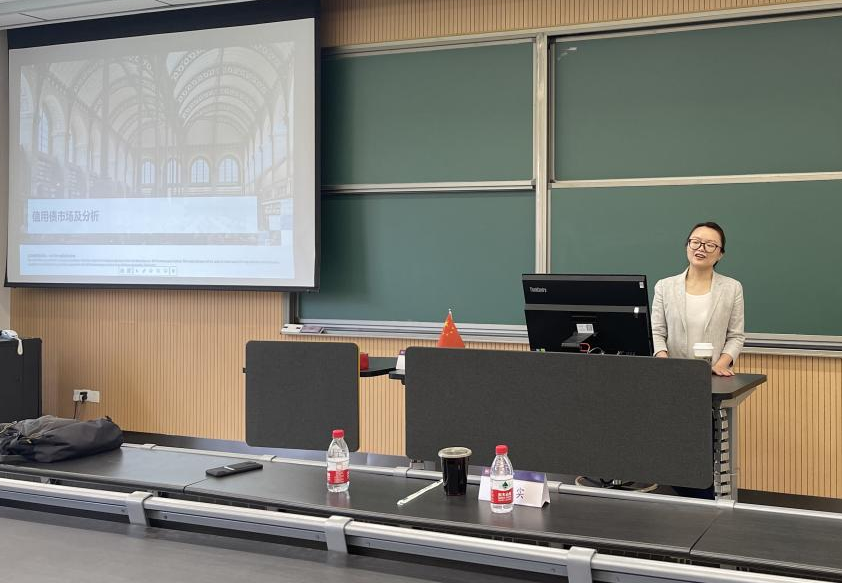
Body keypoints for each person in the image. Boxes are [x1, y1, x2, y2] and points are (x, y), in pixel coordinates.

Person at [651, 222, 745, 376]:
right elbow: (656, 332)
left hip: (713, 375)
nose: (701, 248)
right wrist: (666, 364)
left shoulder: (732, 288)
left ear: (720, 254)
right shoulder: (664, 286)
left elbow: (736, 336)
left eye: (710, 245)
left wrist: (720, 366)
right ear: (687, 246)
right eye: (695, 242)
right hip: (671, 374)